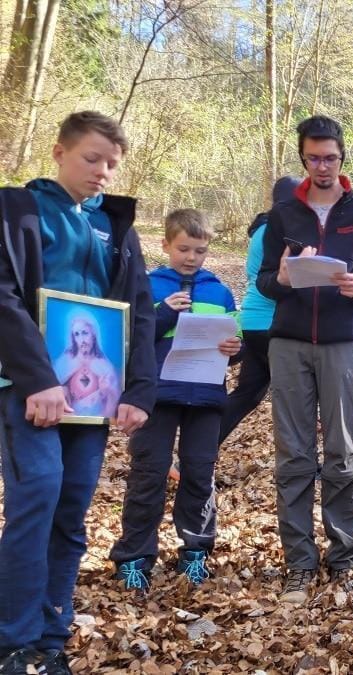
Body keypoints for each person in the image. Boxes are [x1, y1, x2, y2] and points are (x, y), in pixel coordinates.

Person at [0, 111, 156, 675]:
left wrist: (138, 389)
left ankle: (50, 637)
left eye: (112, 164)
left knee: (71, 510)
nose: (103, 173)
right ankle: (12, 642)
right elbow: (4, 296)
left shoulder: (116, 226)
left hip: (93, 400)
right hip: (30, 390)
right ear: (59, 151)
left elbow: (138, 312)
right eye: (92, 159)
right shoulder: (16, 209)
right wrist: (36, 378)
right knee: (36, 496)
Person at [256, 115, 353, 604]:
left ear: (342, 157)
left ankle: (344, 555)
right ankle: (298, 561)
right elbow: (264, 280)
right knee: (293, 455)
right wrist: (287, 278)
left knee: (343, 453)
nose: (322, 166)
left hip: (345, 343)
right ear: (302, 159)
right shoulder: (281, 215)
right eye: (313, 158)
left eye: (330, 157)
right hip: (290, 342)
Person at [108, 208, 242, 591]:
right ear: (166, 245)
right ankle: (134, 556)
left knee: (199, 473)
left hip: (205, 395)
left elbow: (235, 344)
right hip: (157, 394)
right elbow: (131, 338)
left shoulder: (219, 290)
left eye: (199, 251)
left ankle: (196, 551)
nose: (191, 258)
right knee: (148, 474)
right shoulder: (149, 287)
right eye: (184, 248)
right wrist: (164, 314)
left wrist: (235, 348)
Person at [218, 175, 301, 444]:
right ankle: (303, 463)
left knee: (248, 394)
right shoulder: (280, 233)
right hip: (272, 324)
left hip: (253, 322)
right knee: (296, 397)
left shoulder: (262, 230)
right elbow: (288, 279)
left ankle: (195, 454)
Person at [53, 311, 120, 417]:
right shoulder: (65, 362)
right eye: (77, 334)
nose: (82, 340)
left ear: (93, 335)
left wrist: (107, 391)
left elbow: (112, 406)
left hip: (95, 425)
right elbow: (52, 390)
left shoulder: (104, 366)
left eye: (85, 333)